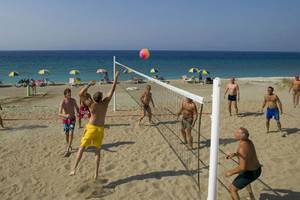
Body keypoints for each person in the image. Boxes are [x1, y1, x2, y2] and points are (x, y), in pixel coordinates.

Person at [69, 71, 119, 180]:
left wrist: (89, 85)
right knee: (97, 152)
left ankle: (74, 168)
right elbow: (113, 89)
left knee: (81, 148)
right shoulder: (105, 103)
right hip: (100, 129)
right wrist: (115, 78)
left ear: (94, 98)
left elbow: (80, 94)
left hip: (91, 127)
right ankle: (95, 174)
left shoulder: (91, 104)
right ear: (101, 98)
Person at [225, 127, 262, 200]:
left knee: (232, 189)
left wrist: (230, 172)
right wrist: (235, 154)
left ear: (243, 136)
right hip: (257, 169)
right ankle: (252, 197)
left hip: (251, 172)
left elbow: (242, 167)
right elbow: (247, 154)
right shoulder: (249, 141)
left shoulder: (242, 148)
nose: (235, 133)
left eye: (238, 133)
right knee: (245, 180)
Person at [58, 88, 80, 157]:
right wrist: (65, 115)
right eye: (68, 95)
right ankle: (69, 145)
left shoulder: (73, 100)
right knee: (67, 134)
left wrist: (78, 112)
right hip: (65, 120)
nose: (70, 96)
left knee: (71, 133)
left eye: (70, 94)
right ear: (65, 95)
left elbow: (77, 108)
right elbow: (59, 113)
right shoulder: (63, 102)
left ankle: (67, 149)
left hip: (72, 119)